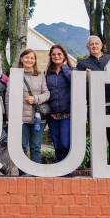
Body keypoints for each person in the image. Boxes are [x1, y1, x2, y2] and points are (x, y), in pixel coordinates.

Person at [77, 35, 110, 166]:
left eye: (96, 44)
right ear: (87, 48)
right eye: (91, 44)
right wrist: (85, 77)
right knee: (97, 139)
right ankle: (99, 167)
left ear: (101, 45)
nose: (94, 46)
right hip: (94, 107)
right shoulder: (83, 64)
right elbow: (79, 86)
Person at [5, 49, 50, 176]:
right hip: (20, 118)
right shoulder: (14, 75)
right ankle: (23, 174)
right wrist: (10, 117)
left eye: (32, 58)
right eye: (27, 57)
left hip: (38, 118)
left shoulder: (40, 75)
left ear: (35, 61)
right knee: (22, 148)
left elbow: (47, 94)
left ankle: (36, 174)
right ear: (21, 59)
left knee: (36, 147)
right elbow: (8, 98)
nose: (29, 60)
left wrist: (35, 99)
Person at [45, 45, 73, 176]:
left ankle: (68, 170)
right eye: (53, 54)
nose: (56, 56)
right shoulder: (47, 74)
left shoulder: (71, 71)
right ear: (51, 57)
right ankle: (61, 173)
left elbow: (74, 82)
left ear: (64, 55)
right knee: (57, 146)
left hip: (68, 114)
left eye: (59, 54)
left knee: (65, 144)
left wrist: (65, 68)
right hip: (52, 116)